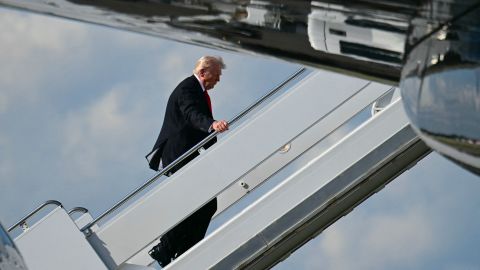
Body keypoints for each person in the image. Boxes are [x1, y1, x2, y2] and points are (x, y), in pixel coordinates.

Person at [145, 56, 229, 267]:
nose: (218, 81)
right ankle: (165, 248)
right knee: (197, 202)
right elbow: (192, 114)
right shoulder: (188, 89)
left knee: (207, 204)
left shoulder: (197, 90)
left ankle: (185, 251)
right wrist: (212, 125)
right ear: (203, 72)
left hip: (189, 153)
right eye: (216, 76)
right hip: (179, 154)